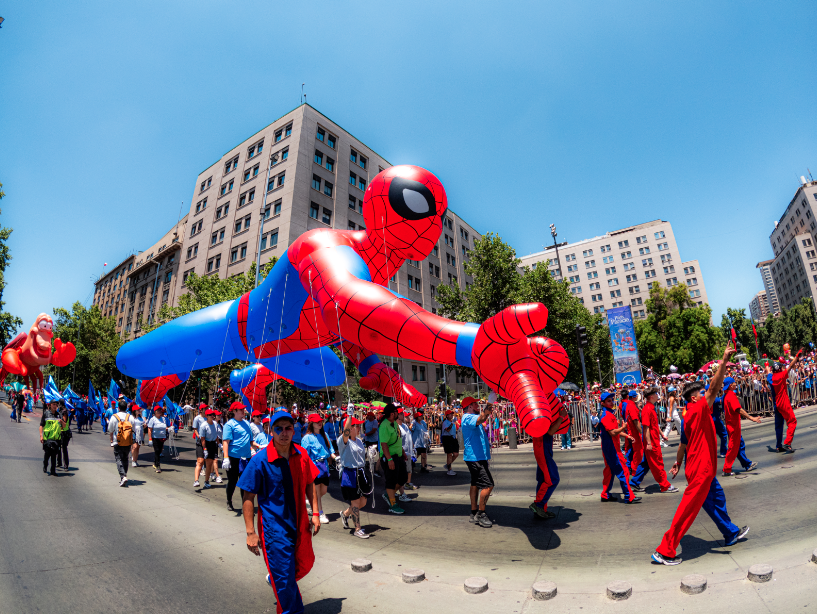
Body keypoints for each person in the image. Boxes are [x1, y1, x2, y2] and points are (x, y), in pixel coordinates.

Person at [652, 347, 750, 565]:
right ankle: (664, 550)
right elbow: (715, 387)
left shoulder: (688, 416)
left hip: (699, 469)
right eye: (704, 392)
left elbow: (683, 445)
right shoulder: (697, 409)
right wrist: (724, 361)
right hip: (701, 470)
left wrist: (677, 463)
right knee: (687, 511)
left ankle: (730, 533)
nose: (710, 394)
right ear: (695, 398)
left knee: (716, 499)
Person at [239, 409, 321, 613]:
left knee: (300, 566)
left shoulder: (301, 454)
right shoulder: (260, 460)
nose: (284, 433)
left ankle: (276, 578)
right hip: (275, 531)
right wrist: (250, 533)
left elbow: (310, 483)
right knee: (285, 581)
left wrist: (316, 513)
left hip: (300, 525)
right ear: (271, 431)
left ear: (294, 431)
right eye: (279, 429)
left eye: (288, 428)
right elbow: (248, 497)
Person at [592, 391, 640, 503]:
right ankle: (629, 496)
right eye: (608, 401)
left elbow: (614, 431)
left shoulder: (609, 414)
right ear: (602, 403)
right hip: (612, 449)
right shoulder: (605, 416)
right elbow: (613, 432)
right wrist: (623, 428)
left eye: (611, 400)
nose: (611, 402)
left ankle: (605, 494)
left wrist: (627, 435)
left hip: (611, 447)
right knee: (623, 471)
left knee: (609, 471)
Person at [629, 388, 678, 493]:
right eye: (656, 394)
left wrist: (662, 435)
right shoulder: (647, 409)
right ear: (651, 396)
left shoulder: (651, 407)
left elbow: (654, 425)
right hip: (652, 442)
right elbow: (646, 428)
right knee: (657, 464)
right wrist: (649, 443)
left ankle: (634, 482)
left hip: (654, 440)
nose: (657, 395)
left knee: (646, 463)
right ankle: (664, 485)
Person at [530, 396, 569, 519]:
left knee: (543, 480)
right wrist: (561, 416)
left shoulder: (538, 410)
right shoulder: (541, 412)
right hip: (543, 449)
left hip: (541, 448)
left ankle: (541, 510)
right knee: (553, 479)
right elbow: (550, 432)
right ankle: (539, 505)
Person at [460, 396, 494, 527]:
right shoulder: (468, 417)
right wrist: (490, 402)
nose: (477, 405)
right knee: (488, 485)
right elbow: (482, 418)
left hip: (477, 457)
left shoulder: (471, 417)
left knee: (475, 483)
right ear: (469, 406)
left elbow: (483, 417)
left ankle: (474, 512)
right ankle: (481, 513)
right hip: (475, 458)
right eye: (475, 404)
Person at [721, 378, 761, 476]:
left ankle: (747, 464)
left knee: (739, 445)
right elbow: (738, 409)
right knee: (733, 447)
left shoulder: (726, 396)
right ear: (731, 385)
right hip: (733, 426)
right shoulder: (730, 396)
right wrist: (752, 418)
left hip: (732, 425)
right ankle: (727, 469)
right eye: (734, 383)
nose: (736, 384)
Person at [300, 413, 334, 523]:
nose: (320, 423)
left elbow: (331, 450)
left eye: (321, 421)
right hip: (313, 467)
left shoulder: (325, 435)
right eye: (317, 422)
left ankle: (311, 501)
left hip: (324, 467)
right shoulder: (307, 438)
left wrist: (336, 458)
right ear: (311, 423)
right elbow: (304, 456)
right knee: (317, 491)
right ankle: (320, 513)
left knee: (323, 491)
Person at [766, 350, 801, 452]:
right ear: (780, 369)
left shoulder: (771, 378)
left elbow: (768, 372)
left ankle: (778, 446)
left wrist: (767, 365)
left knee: (778, 426)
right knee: (792, 421)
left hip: (776, 404)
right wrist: (797, 356)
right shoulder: (781, 376)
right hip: (784, 403)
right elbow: (790, 366)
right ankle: (787, 443)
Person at [223, 401, 255, 512]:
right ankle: (229, 501)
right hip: (233, 458)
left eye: (243, 409)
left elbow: (251, 441)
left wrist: (260, 446)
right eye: (241, 410)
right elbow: (226, 442)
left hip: (245, 458)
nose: (243, 411)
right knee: (232, 481)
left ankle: (245, 505)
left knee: (245, 482)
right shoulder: (229, 424)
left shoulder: (247, 424)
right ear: (235, 411)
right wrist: (226, 458)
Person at [379, 404, 408, 515]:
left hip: (398, 456)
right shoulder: (384, 426)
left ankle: (388, 494)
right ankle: (392, 504)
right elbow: (384, 445)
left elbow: (397, 439)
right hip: (390, 457)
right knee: (391, 481)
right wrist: (389, 459)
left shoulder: (394, 423)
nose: (398, 414)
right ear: (392, 413)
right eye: (397, 412)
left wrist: (403, 452)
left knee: (402, 478)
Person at [108, 400, 136, 486]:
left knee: (118, 458)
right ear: (126, 407)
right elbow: (134, 429)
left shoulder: (114, 417)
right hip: (127, 441)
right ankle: (124, 475)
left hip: (118, 441)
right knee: (125, 458)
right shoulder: (130, 417)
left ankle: (123, 476)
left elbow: (110, 429)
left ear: (118, 408)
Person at [197, 409, 222, 489]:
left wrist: (219, 444)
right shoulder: (203, 426)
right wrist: (205, 449)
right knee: (201, 462)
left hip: (212, 444)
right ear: (207, 416)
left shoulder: (215, 424)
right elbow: (202, 439)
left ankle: (206, 481)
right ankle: (196, 480)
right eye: (211, 415)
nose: (213, 416)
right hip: (205, 443)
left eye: (213, 414)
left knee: (210, 464)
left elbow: (215, 436)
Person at [40, 398, 64, 476]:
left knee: (54, 456)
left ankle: (53, 471)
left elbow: (63, 426)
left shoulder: (59, 415)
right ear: (50, 405)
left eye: (56, 405)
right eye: (53, 404)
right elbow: (41, 425)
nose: (55, 406)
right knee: (47, 454)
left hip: (56, 439)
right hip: (47, 438)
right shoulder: (46, 413)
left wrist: (62, 421)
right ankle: (45, 465)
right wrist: (41, 436)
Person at [622, 390, 643, 473]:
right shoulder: (631, 406)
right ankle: (635, 469)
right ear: (635, 397)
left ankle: (629, 466)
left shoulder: (628, 404)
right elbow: (635, 420)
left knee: (632, 450)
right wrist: (641, 432)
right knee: (638, 451)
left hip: (631, 430)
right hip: (634, 431)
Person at [397, 409, 416, 498]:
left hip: (407, 453)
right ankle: (396, 493)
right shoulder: (396, 427)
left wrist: (413, 449)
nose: (403, 415)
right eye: (401, 414)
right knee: (400, 476)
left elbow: (409, 438)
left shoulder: (404, 426)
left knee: (406, 473)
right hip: (400, 454)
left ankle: (399, 492)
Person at [146, 405, 169, 473]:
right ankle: (158, 466)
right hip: (155, 437)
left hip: (162, 437)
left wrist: (169, 429)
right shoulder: (152, 419)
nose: (160, 411)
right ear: (155, 412)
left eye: (160, 410)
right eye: (158, 410)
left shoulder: (164, 419)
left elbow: (165, 427)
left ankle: (155, 462)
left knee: (159, 451)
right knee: (157, 450)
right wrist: (150, 439)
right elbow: (149, 429)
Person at [362, 411, 381, 476]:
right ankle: (369, 464)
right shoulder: (366, 421)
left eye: (369, 415)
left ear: (372, 416)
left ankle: (373, 467)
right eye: (367, 415)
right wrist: (365, 435)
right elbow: (365, 428)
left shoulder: (375, 422)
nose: (368, 416)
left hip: (374, 440)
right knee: (368, 452)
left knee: (374, 453)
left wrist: (366, 434)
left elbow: (374, 430)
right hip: (368, 440)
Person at [441, 408, 459, 476]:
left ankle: (448, 464)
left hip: (453, 438)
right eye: (450, 414)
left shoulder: (452, 422)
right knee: (449, 454)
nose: (452, 415)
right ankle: (449, 469)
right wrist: (452, 423)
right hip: (447, 438)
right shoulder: (445, 422)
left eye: (452, 414)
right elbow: (448, 430)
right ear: (447, 415)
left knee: (456, 454)